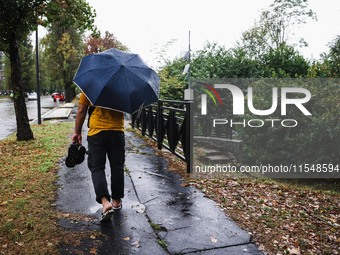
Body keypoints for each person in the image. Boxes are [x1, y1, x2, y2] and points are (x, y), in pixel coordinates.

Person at [72, 92, 125, 221]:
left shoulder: (90, 86)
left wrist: (77, 132)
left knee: (97, 167)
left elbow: (81, 110)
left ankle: (105, 202)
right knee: (117, 166)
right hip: (117, 131)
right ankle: (116, 201)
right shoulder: (122, 86)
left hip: (97, 132)